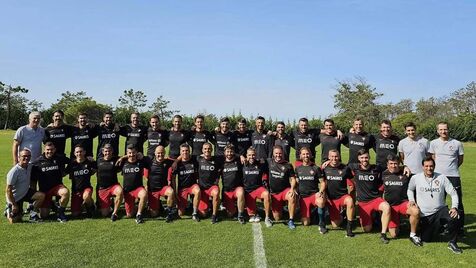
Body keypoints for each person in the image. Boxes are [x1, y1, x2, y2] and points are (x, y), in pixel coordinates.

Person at [407, 156, 462, 254]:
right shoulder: (416, 178)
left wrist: (454, 207)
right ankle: (439, 229)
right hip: (425, 215)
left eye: (431, 166)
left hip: (440, 210)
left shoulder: (442, 177)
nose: (429, 168)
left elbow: (453, 193)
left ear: (434, 166)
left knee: (455, 216)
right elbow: (410, 189)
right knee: (426, 239)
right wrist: (411, 200)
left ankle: (453, 242)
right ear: (422, 167)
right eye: (426, 166)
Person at [429, 122, 465, 234]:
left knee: (458, 201)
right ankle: (442, 225)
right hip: (438, 176)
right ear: (437, 131)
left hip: (453, 176)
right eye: (441, 129)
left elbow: (460, 159)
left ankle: (459, 227)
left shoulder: (457, 143)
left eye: (445, 129)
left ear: (448, 130)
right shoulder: (433, 143)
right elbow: (433, 158)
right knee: (439, 201)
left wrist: (451, 168)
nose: (443, 131)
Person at [349, 149, 391, 243]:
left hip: (375, 199)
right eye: (362, 158)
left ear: (369, 158)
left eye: (366, 157)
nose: (364, 160)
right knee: (367, 229)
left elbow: (391, 168)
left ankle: (383, 234)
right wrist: (327, 162)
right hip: (363, 203)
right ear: (359, 158)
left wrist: (404, 167)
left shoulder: (376, 168)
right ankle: (373, 217)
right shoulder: (354, 168)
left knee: (387, 207)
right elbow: (339, 167)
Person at [382, 155, 421, 246]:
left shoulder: (406, 173)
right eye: (391, 163)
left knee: (415, 211)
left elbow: (418, 181)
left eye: (395, 163)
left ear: (399, 164)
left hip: (404, 203)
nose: (393, 166)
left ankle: (413, 234)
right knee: (394, 234)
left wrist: (405, 166)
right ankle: (400, 224)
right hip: (391, 207)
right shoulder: (383, 174)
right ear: (387, 164)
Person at [31, 142, 70, 222]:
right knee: (44, 215)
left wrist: (65, 172)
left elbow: (72, 162)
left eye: (52, 149)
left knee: (65, 192)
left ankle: (60, 213)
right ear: (44, 150)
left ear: (55, 149)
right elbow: (33, 180)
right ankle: (52, 204)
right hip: (44, 190)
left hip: (57, 187)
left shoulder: (59, 158)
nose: (50, 151)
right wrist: (34, 192)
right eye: (48, 150)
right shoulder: (37, 162)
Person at [5, 148, 45, 223]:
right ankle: (8, 209)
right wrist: (13, 204)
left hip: (25, 193)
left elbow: (39, 162)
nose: (26, 158)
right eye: (24, 156)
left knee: (41, 196)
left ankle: (32, 214)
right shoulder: (14, 172)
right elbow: (8, 190)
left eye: (28, 156)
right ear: (19, 157)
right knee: (14, 220)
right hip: (15, 198)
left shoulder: (29, 166)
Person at [323, 150, 355, 237]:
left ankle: (349, 228)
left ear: (339, 157)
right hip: (331, 199)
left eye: (336, 156)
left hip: (342, 196)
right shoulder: (324, 168)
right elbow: (322, 182)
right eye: (332, 156)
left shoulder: (345, 168)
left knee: (350, 201)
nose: (334, 158)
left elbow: (353, 182)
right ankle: (343, 213)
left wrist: (352, 195)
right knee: (335, 224)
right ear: (329, 157)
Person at [295, 147, 327, 234]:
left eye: (307, 154)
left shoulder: (316, 168)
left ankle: (322, 224)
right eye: (304, 154)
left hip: (314, 195)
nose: (306, 156)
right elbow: (297, 182)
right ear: (300, 156)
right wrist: (294, 190)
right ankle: (314, 213)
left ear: (310, 155)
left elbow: (323, 182)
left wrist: (320, 192)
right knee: (305, 223)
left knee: (320, 201)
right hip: (303, 197)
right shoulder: (298, 168)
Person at [267, 145, 298, 229]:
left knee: (292, 196)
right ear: (273, 154)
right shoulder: (269, 162)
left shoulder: (288, 165)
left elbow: (293, 179)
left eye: (280, 153)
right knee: (277, 218)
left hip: (284, 191)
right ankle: (285, 209)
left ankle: (291, 220)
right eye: (276, 153)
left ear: (283, 153)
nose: (278, 155)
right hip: (274, 193)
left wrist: (292, 189)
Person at [242, 147, 272, 227]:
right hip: (248, 191)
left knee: (266, 194)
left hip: (258, 188)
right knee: (252, 216)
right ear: (246, 156)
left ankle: (267, 217)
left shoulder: (260, 164)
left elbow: (266, 171)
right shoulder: (242, 164)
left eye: (253, 155)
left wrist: (265, 182)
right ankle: (252, 212)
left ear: (256, 155)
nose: (251, 157)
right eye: (249, 155)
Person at [145, 145, 176, 222]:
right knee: (154, 214)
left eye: (162, 153)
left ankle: (169, 213)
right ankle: (159, 205)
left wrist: (176, 162)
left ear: (165, 153)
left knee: (171, 192)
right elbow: (137, 156)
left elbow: (177, 160)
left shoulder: (167, 162)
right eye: (158, 153)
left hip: (163, 188)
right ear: (155, 153)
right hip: (152, 191)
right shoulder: (149, 161)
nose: (160, 155)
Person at [119, 145, 149, 224]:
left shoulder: (141, 162)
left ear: (137, 153)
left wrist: (143, 157)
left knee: (144, 194)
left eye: (133, 153)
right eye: (129, 153)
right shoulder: (123, 162)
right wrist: (122, 158)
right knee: (129, 215)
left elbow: (150, 162)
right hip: (127, 191)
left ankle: (139, 214)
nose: (131, 155)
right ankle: (139, 207)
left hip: (138, 188)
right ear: (126, 153)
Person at [66, 145, 97, 218]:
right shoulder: (72, 164)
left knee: (86, 196)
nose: (79, 154)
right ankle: (83, 204)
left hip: (87, 188)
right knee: (75, 214)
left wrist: (93, 161)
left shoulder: (89, 162)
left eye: (80, 151)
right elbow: (64, 173)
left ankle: (91, 207)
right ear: (74, 153)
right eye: (77, 152)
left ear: (84, 152)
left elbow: (96, 169)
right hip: (76, 191)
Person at [172, 144, 201, 221]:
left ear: (190, 151)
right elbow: (173, 179)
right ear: (180, 152)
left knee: (197, 190)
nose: (185, 152)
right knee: (180, 213)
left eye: (187, 151)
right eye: (183, 151)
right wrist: (175, 192)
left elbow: (203, 156)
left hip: (192, 186)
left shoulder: (194, 159)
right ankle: (187, 204)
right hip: (182, 188)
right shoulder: (177, 164)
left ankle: (194, 213)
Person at [96, 144, 123, 221]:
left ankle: (114, 213)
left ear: (112, 151)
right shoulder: (98, 160)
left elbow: (128, 155)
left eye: (109, 151)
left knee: (120, 192)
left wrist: (122, 158)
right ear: (102, 151)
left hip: (113, 186)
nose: (107, 153)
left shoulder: (116, 160)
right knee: (104, 214)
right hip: (103, 188)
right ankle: (110, 203)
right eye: (106, 151)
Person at [197, 142, 222, 224]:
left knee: (216, 192)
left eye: (209, 149)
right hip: (202, 189)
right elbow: (184, 156)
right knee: (203, 214)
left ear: (212, 150)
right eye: (205, 149)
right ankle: (210, 205)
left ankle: (214, 215)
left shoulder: (217, 160)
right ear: (202, 150)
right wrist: (176, 161)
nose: (207, 150)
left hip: (211, 187)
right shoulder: (198, 159)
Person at [221, 144, 246, 224]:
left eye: (231, 151)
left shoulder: (238, 160)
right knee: (230, 214)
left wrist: (241, 156)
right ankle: (235, 206)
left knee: (241, 192)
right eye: (227, 152)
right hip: (227, 190)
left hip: (236, 188)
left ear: (234, 152)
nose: (229, 153)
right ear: (224, 152)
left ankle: (240, 215)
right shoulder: (221, 162)